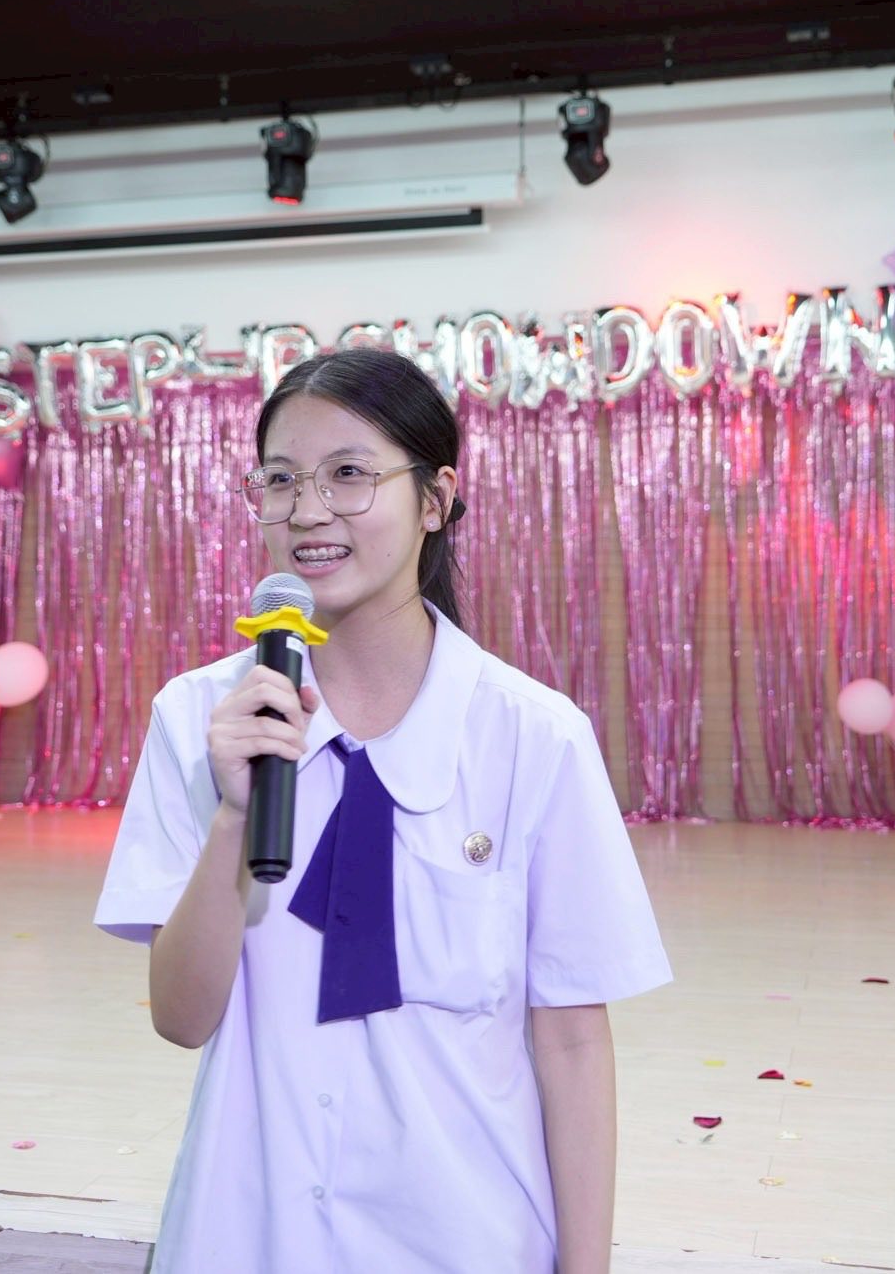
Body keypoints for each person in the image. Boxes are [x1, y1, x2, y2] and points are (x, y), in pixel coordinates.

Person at [95, 348, 671, 1274]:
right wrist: (236, 817)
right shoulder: (200, 717)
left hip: (467, 1238)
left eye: (349, 474)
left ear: (436, 498)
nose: (308, 511)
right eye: (281, 479)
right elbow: (182, 1016)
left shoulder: (534, 736)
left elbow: (571, 1041)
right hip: (252, 1235)